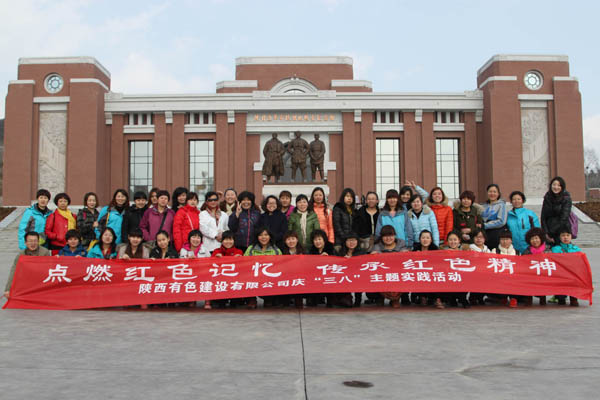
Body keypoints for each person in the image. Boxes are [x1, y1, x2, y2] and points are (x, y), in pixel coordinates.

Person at [244, 227, 282, 308]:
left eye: (266, 235)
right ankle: (252, 299)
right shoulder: (251, 249)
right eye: (260, 235)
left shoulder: (276, 250)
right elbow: (244, 263)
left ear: (270, 236)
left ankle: (268, 299)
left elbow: (281, 265)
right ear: (257, 237)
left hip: (269, 277)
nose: (263, 237)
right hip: (253, 276)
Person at [5, 232, 51, 299]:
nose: (33, 243)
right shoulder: (21, 255)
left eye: (35, 241)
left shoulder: (45, 252)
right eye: (30, 241)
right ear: (25, 243)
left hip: (41, 282)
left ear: (38, 242)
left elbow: (49, 269)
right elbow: (14, 271)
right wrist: (8, 289)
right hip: (26, 282)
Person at [371, 225, 408, 308]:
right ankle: (380, 297)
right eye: (385, 236)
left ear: (394, 235)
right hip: (383, 274)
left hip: (397, 273)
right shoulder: (377, 246)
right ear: (381, 237)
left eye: (390, 236)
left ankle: (395, 299)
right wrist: (373, 255)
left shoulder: (401, 244)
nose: (388, 238)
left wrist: (406, 254)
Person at [413, 230, 444, 309]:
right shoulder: (416, 249)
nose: (425, 240)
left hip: (432, 272)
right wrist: (416, 256)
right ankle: (422, 297)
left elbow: (439, 263)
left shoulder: (435, 249)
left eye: (427, 238)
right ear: (419, 239)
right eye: (423, 238)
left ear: (431, 239)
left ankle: (437, 299)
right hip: (420, 272)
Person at [211, 231, 243, 309]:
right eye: (226, 239)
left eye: (230, 239)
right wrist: (215, 258)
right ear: (222, 241)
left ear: (234, 241)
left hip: (234, 281)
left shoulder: (239, 252)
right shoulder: (216, 251)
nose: (228, 242)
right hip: (220, 281)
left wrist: (240, 259)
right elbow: (210, 267)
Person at [551, 226, 580, 306]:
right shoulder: (555, 249)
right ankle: (560, 297)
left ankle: (573, 298)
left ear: (571, 236)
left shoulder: (576, 249)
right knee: (561, 301)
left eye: (568, 235)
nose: (566, 237)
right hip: (560, 275)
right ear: (559, 237)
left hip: (573, 274)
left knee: (575, 281)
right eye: (563, 235)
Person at [521, 227, 551, 306]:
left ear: (541, 238)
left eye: (536, 238)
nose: (535, 241)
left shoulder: (548, 251)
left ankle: (543, 298)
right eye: (532, 239)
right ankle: (528, 298)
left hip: (544, 276)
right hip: (531, 276)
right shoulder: (526, 252)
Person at [307, 229, 336, 307]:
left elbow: (337, 261)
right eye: (315, 240)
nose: (317, 242)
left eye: (319, 239)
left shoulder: (330, 247)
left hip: (329, 275)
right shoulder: (311, 250)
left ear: (324, 240)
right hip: (316, 275)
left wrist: (329, 257)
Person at [442, 231, 470, 308]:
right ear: (447, 241)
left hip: (461, 276)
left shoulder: (465, 250)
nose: (453, 242)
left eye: (455, 240)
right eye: (450, 240)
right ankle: (451, 299)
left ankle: (462, 299)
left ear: (459, 240)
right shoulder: (442, 251)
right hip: (448, 276)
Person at [541, 176, 573, 245]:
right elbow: (543, 216)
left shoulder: (566, 198)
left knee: (560, 250)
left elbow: (564, 218)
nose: (556, 187)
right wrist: (546, 232)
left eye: (559, 185)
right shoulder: (547, 197)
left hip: (561, 232)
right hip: (548, 233)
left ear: (562, 187)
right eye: (554, 184)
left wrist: (551, 233)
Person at [337, 232, 366, 308]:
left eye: (353, 240)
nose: (351, 242)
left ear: (357, 241)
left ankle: (358, 299)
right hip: (344, 276)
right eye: (349, 240)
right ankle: (347, 298)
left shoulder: (362, 252)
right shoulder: (341, 252)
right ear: (345, 242)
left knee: (358, 278)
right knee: (347, 304)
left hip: (358, 274)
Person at [281, 230, 305, 309]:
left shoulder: (303, 251)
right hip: (286, 276)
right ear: (285, 241)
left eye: (293, 238)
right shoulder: (282, 252)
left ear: (297, 239)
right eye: (288, 239)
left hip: (299, 276)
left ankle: (298, 300)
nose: (291, 241)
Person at [481, 184, 508, 250]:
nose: (492, 194)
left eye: (494, 192)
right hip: (484, 235)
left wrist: (484, 225)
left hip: (496, 235)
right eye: (490, 191)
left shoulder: (501, 205)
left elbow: (501, 221)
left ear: (498, 194)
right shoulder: (483, 206)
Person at [332, 188, 357, 253]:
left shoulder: (353, 211)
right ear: (343, 197)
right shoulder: (338, 208)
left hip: (350, 242)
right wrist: (345, 237)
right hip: (339, 241)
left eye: (351, 197)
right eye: (347, 196)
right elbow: (336, 225)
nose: (349, 198)